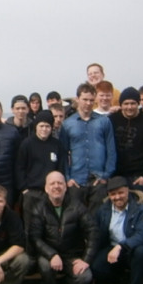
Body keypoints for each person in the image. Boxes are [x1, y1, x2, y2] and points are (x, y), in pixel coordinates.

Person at [26, 171, 97, 284]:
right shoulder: (39, 208)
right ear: (46, 189)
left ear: (65, 187)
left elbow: (93, 231)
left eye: (60, 183)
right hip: (48, 255)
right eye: (52, 183)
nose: (56, 186)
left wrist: (86, 260)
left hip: (72, 255)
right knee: (44, 265)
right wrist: (52, 254)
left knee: (85, 277)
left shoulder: (77, 207)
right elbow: (34, 237)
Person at [92, 176, 143, 284]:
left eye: (121, 193)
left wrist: (121, 246)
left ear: (128, 191)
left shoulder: (142, 207)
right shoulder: (103, 209)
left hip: (131, 248)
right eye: (113, 194)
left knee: (141, 252)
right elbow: (96, 232)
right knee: (97, 266)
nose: (117, 197)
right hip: (112, 248)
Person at [59, 83, 116, 211]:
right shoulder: (68, 124)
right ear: (78, 99)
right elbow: (63, 153)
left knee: (98, 219)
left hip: (98, 179)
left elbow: (111, 151)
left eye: (91, 100)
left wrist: (106, 175)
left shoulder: (104, 122)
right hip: (76, 180)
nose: (88, 103)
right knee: (75, 218)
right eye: (85, 99)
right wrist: (68, 178)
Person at [111, 87, 143, 195]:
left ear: (138, 103)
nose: (129, 107)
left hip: (139, 176)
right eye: (126, 103)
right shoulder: (112, 120)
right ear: (121, 104)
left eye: (133, 103)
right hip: (116, 175)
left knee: (138, 208)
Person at [14, 110, 63, 203]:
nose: (44, 129)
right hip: (31, 192)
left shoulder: (57, 145)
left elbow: (61, 167)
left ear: (51, 127)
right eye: (41, 126)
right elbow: (19, 168)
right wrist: (24, 189)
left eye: (47, 126)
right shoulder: (27, 144)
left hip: (52, 192)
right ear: (36, 126)